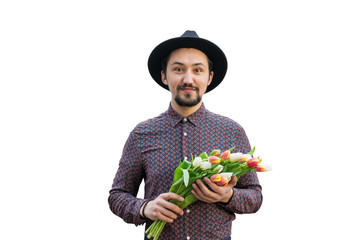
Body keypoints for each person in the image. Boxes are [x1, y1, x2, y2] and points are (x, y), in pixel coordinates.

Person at [108, 30, 262, 240]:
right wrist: (145, 208)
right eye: (178, 69)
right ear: (164, 76)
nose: (188, 79)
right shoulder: (141, 134)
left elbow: (255, 197)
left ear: (209, 77)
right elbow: (117, 196)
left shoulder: (232, 132)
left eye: (197, 70)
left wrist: (228, 196)